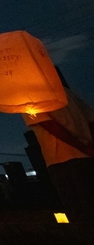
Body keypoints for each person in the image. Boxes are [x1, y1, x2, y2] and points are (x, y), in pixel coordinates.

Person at [23, 87, 94, 223]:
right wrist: (90, 146)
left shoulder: (27, 96)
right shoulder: (66, 92)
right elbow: (91, 119)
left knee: (80, 213)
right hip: (87, 157)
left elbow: (49, 125)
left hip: (62, 159)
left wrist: (82, 147)